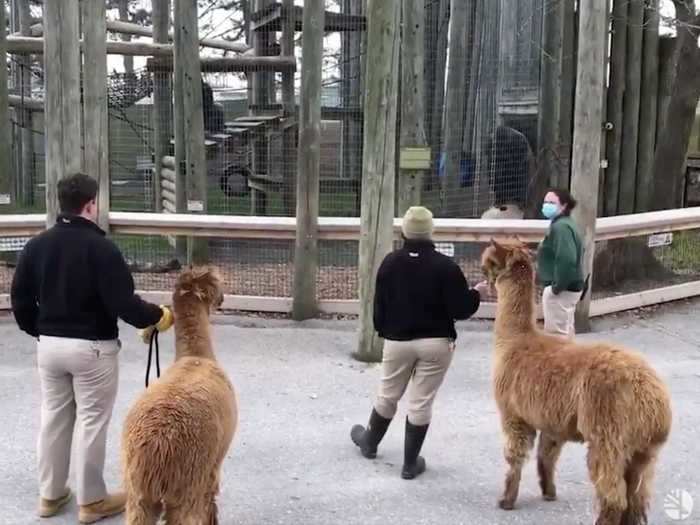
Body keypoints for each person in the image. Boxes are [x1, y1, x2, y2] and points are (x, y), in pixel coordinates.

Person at [10, 173, 174, 523]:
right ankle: (91, 501)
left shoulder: (36, 246)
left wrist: (40, 331)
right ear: (90, 204)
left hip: (50, 346)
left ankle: (50, 496)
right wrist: (157, 316)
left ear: (60, 203)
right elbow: (122, 303)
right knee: (91, 421)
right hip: (93, 349)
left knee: (53, 418)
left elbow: (20, 300)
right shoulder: (102, 249)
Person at [350, 206, 489, 479]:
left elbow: (379, 306)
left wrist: (385, 332)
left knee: (388, 393)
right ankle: (409, 464)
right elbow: (461, 309)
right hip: (436, 343)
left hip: (398, 341)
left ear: (404, 231)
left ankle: (370, 441)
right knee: (421, 402)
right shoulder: (446, 267)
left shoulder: (390, 263)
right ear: (430, 232)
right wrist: (476, 293)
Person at [536, 188, 585, 338]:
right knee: (567, 331)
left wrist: (556, 288)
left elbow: (567, 259)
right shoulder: (566, 224)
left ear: (564, 206)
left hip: (562, 289)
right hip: (570, 287)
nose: (546, 205)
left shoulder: (561, 227)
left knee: (556, 336)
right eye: (545, 202)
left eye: (551, 202)